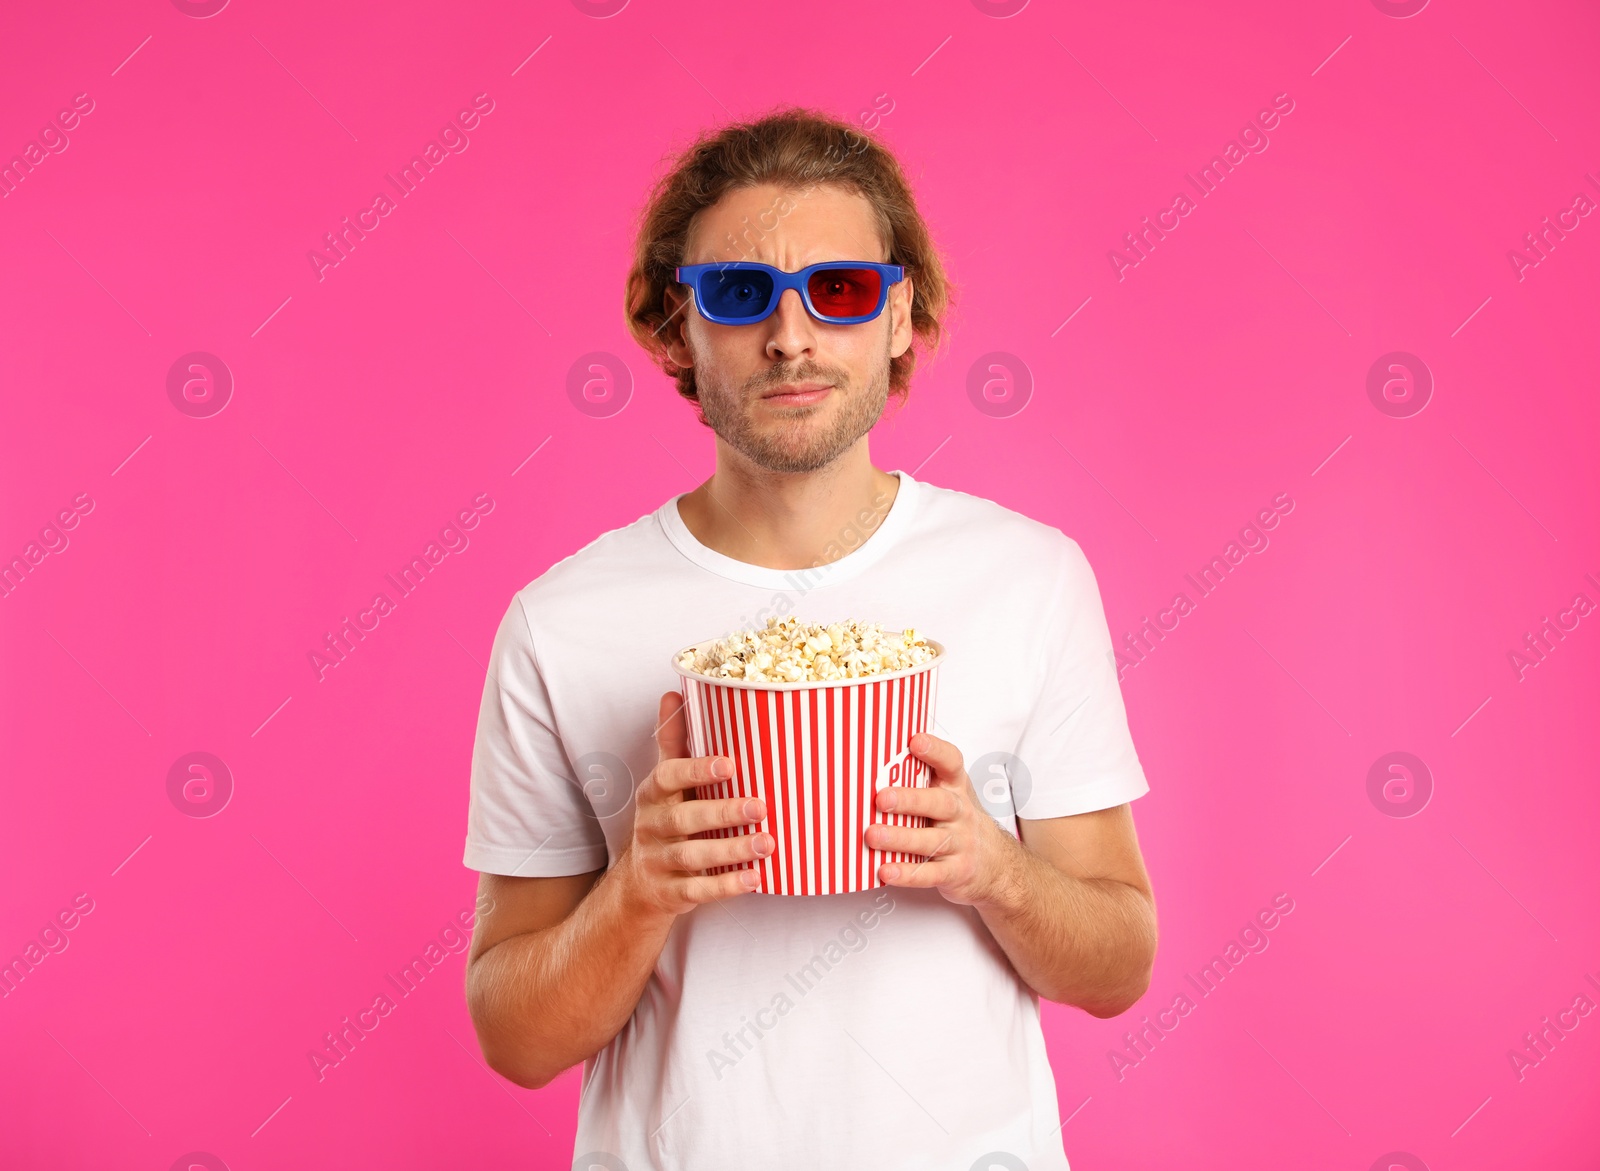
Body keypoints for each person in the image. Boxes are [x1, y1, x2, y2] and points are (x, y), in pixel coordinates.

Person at [462, 107, 1157, 1171]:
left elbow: (1117, 968)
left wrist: (994, 870)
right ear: (675, 329)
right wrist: (636, 892)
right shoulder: (561, 622)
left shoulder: (1030, 578)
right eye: (741, 295)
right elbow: (513, 1039)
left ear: (895, 314)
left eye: (838, 290)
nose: (791, 336)